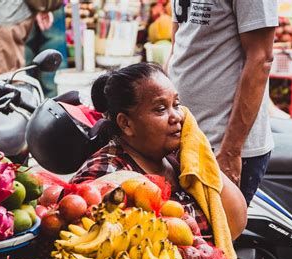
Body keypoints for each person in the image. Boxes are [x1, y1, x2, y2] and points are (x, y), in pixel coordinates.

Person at [70, 62, 248, 240]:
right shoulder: (106, 172)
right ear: (126, 123)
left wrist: (199, 149)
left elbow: (235, 223)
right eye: (161, 109)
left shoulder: (182, 159)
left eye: (176, 104)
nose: (177, 116)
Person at [168, 0, 278, 206]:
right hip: (185, 136)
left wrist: (230, 151)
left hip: (220, 146)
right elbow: (179, 44)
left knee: (216, 236)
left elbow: (260, 59)